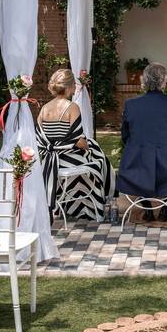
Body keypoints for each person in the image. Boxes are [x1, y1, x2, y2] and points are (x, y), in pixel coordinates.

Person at [36, 69, 115, 222]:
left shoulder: (44, 108)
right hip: (68, 158)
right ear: (70, 86)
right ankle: (100, 203)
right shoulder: (72, 107)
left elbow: (40, 137)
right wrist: (88, 147)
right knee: (99, 158)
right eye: (74, 85)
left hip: (50, 160)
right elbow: (78, 140)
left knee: (94, 151)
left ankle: (73, 205)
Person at [117, 63, 167, 221]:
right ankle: (166, 207)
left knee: (145, 164)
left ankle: (148, 208)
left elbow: (125, 136)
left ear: (145, 81)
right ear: (163, 82)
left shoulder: (131, 105)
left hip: (136, 163)